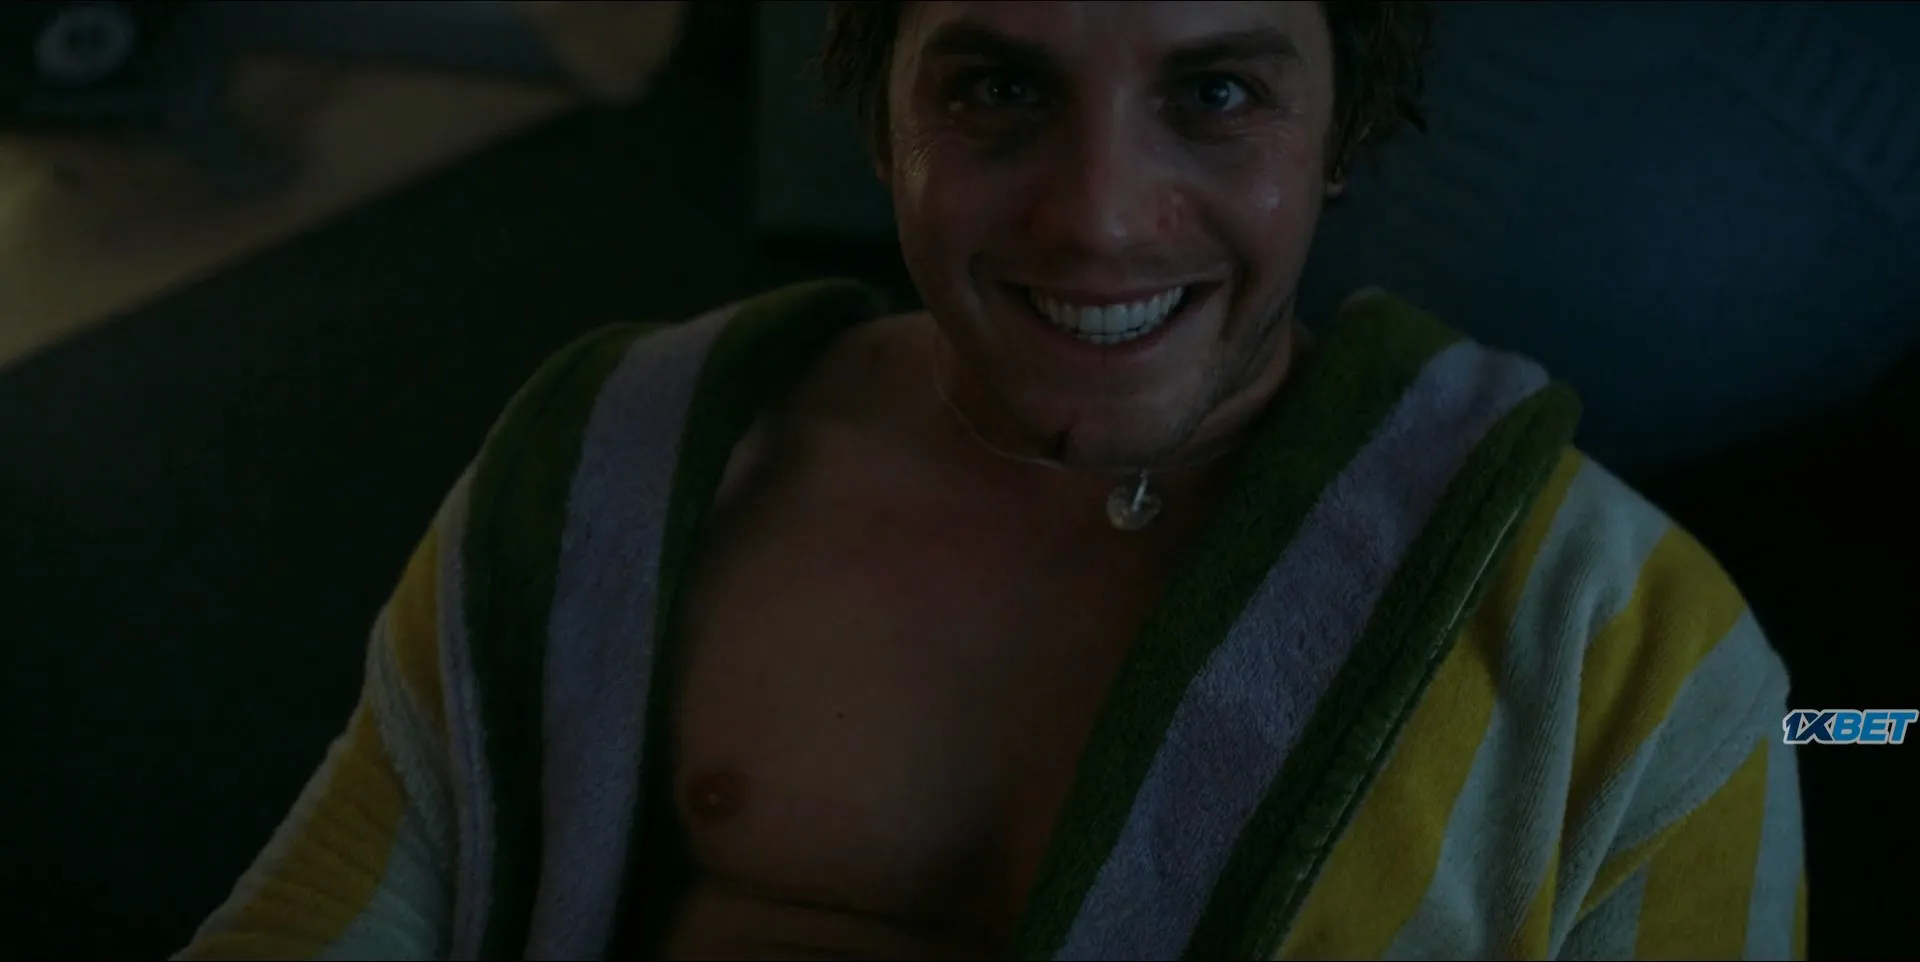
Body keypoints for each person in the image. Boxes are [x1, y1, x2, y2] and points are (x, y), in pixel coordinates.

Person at [175, 3, 1807, 959]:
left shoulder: (1645, 665)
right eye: (999, 90)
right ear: (879, 116)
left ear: (1342, 132)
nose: (1097, 215)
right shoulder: (609, 470)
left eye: (1215, 94)